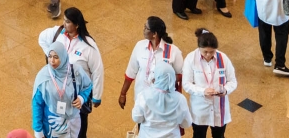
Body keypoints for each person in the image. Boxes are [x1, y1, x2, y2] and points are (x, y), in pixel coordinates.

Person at [36, 8, 105, 138]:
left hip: (78, 94)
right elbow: (41, 38)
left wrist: (96, 95)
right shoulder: (57, 33)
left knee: (80, 127)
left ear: (77, 24)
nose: (64, 23)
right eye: (64, 20)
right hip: (58, 89)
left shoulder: (88, 45)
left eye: (68, 22)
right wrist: (51, 57)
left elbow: (98, 70)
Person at [118, 17, 184, 111]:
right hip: (142, 98)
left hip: (163, 101)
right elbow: (131, 72)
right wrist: (123, 94)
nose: (143, 30)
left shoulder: (173, 51)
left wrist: (163, 80)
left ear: (154, 34)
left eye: (146, 28)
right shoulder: (140, 46)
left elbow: (181, 75)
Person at [31, 40, 92, 138]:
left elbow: (88, 85)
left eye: (56, 57)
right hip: (53, 124)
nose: (52, 61)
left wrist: (81, 98)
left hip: (73, 122)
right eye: (50, 56)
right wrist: (38, 130)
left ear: (63, 57)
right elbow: (37, 104)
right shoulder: (43, 77)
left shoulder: (76, 71)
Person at [182, 29, 237, 138]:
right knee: (199, 135)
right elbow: (186, 84)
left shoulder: (223, 58)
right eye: (205, 52)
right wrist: (203, 91)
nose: (208, 55)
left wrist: (225, 90)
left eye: (212, 52)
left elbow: (233, 81)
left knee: (219, 136)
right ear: (199, 48)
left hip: (219, 107)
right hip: (200, 108)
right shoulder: (191, 59)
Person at [131, 61, 193, 137]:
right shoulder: (180, 99)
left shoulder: (143, 96)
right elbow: (186, 123)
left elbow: (137, 118)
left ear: (156, 77)